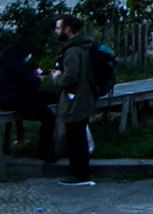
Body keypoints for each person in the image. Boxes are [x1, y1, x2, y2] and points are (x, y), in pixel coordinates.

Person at [0, 33, 58, 163]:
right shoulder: (17, 63)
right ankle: (45, 151)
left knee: (50, 97)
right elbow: (30, 83)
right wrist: (39, 79)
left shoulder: (9, 60)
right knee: (48, 117)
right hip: (15, 98)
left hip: (11, 97)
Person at [53, 14, 97, 185]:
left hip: (75, 98)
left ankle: (79, 174)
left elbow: (70, 77)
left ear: (68, 29)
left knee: (75, 136)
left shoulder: (72, 51)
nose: (56, 31)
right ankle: (81, 173)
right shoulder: (86, 45)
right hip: (86, 96)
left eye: (58, 28)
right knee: (79, 133)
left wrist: (57, 78)